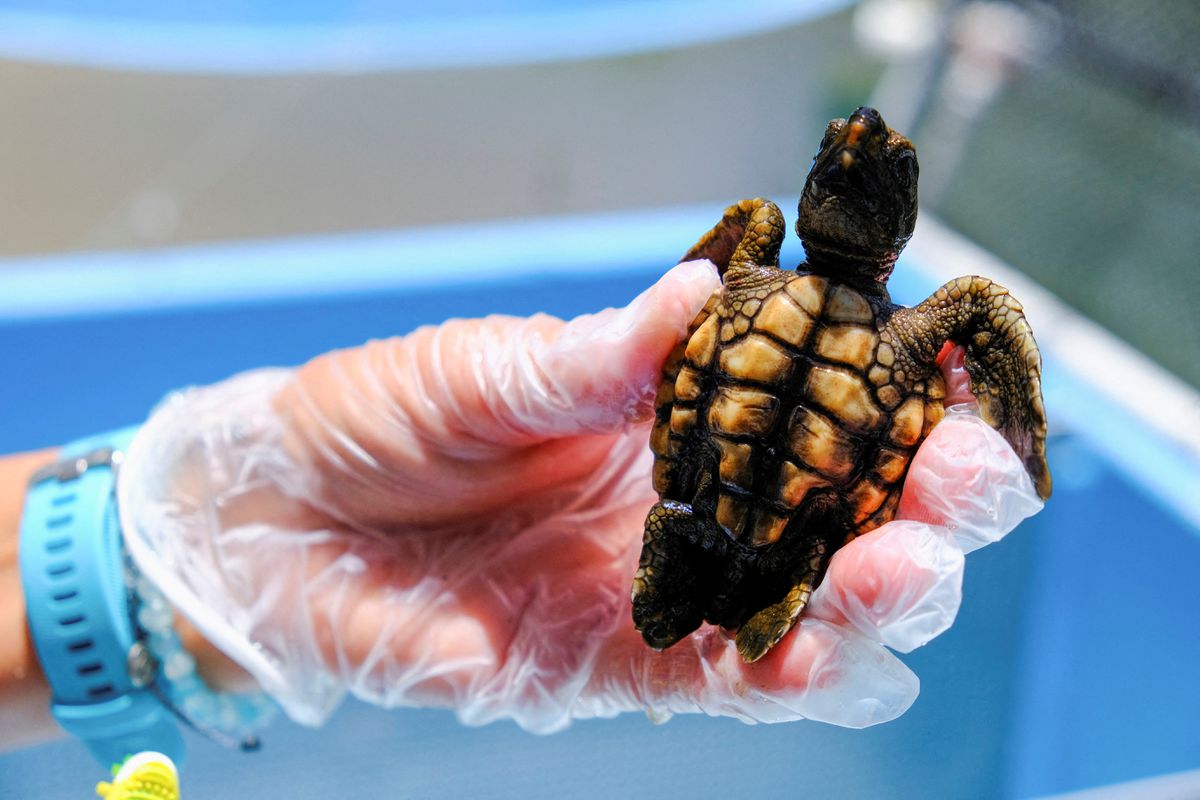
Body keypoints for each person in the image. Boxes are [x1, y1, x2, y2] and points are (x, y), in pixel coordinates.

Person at [0, 259, 1043, 758]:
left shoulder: (779, 275)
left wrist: (193, 545)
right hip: (712, 494)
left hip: (695, 483)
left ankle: (756, 587)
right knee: (782, 568)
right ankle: (755, 585)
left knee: (817, 571)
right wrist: (213, 546)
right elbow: (987, 316)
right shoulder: (928, 317)